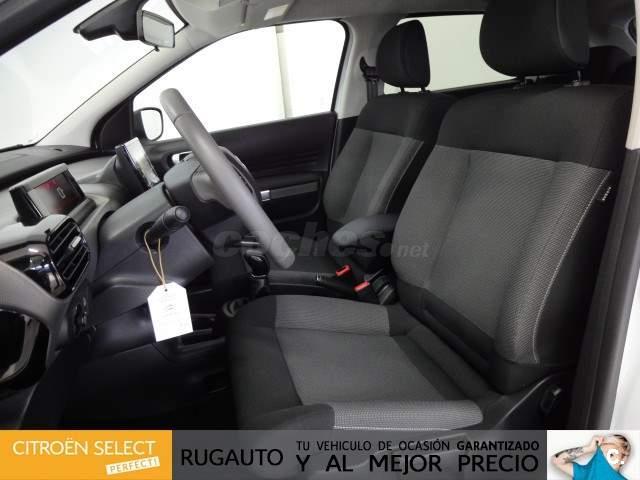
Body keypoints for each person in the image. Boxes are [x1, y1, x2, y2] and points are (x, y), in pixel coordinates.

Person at [552, 435, 631, 479]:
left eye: (611, 455)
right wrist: (589, 448)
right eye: (600, 454)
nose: (603, 460)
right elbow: (557, 460)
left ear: (623, 459)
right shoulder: (586, 473)